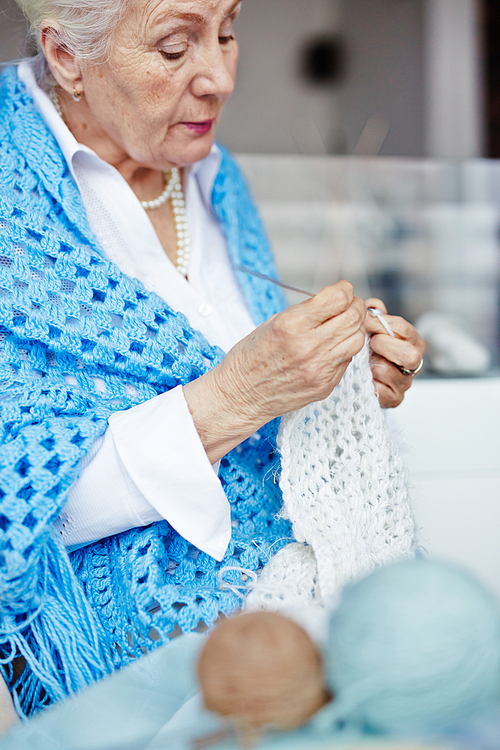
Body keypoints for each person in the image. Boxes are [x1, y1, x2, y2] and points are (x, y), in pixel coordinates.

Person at [0, 0, 425, 719]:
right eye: (174, 48)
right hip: (144, 657)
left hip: (299, 593)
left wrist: (340, 377)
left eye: (227, 33)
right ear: (68, 58)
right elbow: (24, 502)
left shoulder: (211, 175)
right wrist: (238, 396)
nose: (221, 77)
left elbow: (265, 383)